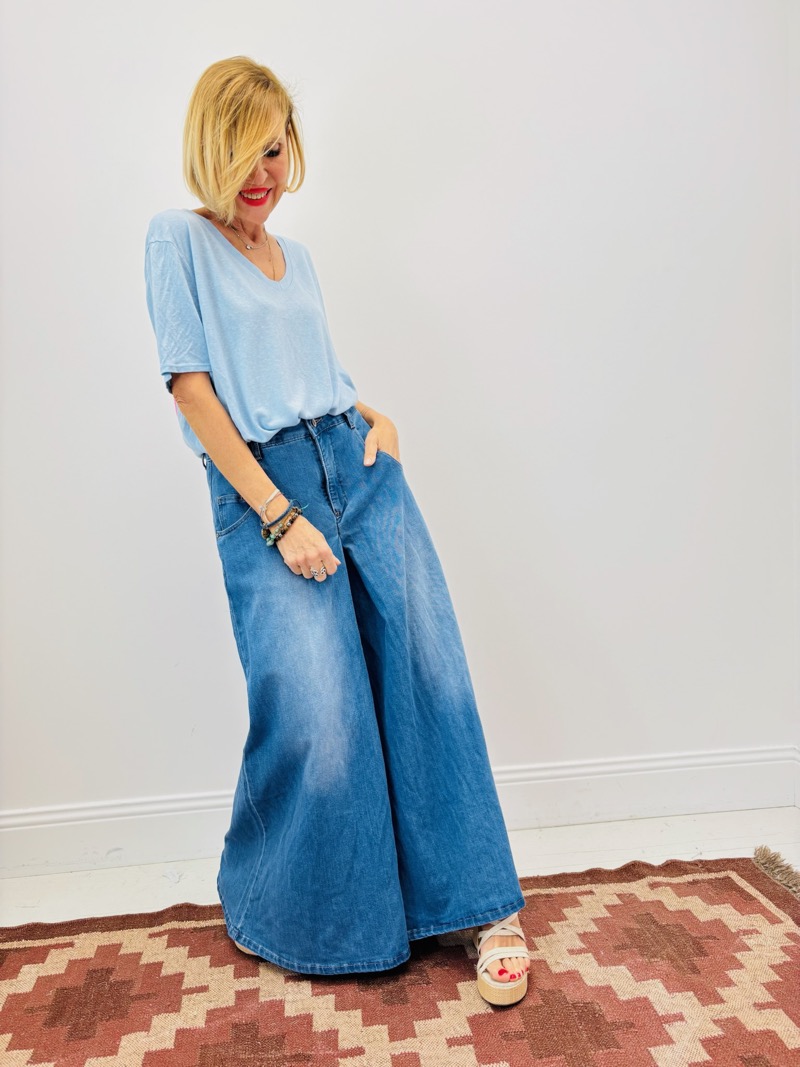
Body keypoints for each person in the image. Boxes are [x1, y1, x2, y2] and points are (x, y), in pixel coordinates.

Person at [144, 55, 530, 1007]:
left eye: (275, 149)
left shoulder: (300, 258)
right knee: (317, 705)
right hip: (265, 487)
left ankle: (481, 907)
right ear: (209, 148)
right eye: (244, 150)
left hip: (357, 466)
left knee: (429, 676)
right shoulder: (176, 240)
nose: (262, 172)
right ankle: (328, 918)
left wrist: (376, 420)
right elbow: (192, 390)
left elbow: (315, 375)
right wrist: (279, 515)